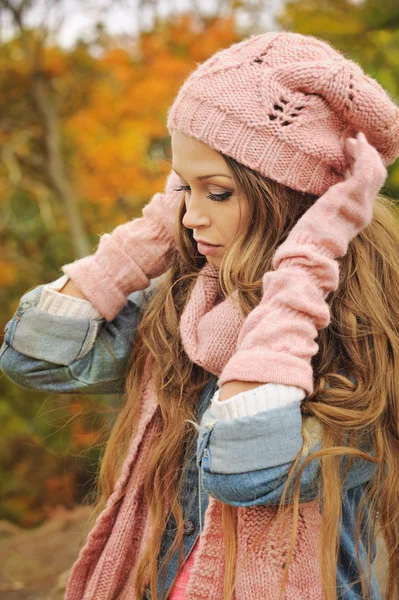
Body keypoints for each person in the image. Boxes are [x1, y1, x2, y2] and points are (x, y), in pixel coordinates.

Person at [1, 30, 399, 600]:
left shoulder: (358, 337)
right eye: (181, 186)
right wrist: (154, 232)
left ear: (293, 199)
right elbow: (35, 355)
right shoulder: (188, 302)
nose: (190, 215)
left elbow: (247, 470)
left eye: (217, 192)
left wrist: (304, 262)